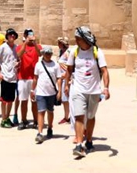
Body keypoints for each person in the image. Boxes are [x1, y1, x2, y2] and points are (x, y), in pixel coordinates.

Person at [64, 26, 110, 158]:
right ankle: (79, 144)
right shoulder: (74, 51)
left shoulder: (97, 51)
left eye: (78, 39)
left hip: (94, 90)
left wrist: (106, 88)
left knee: (90, 116)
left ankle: (89, 140)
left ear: (85, 39)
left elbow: (104, 70)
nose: (76, 41)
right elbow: (69, 69)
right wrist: (67, 85)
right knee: (79, 116)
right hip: (78, 89)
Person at [32, 46, 61, 143]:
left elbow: (59, 78)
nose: (48, 55)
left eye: (49, 54)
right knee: (41, 111)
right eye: (46, 54)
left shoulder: (55, 65)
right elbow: (35, 78)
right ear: (43, 54)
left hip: (51, 93)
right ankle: (40, 133)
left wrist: (59, 91)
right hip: (41, 92)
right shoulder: (38, 65)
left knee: (50, 111)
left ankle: (50, 127)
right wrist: (32, 90)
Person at [0, 28, 19, 128]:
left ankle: (7, 117)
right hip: (5, 76)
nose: (12, 36)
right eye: (10, 35)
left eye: (13, 35)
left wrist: (18, 63)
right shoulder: (3, 47)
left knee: (11, 99)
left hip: (13, 77)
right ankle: (3, 119)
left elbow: (18, 59)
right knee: (4, 100)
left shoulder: (17, 47)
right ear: (7, 36)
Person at [16, 28, 41, 130]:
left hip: (34, 77)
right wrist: (25, 43)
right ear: (25, 36)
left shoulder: (37, 46)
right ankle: (23, 120)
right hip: (23, 77)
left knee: (34, 101)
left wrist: (35, 43)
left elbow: (40, 54)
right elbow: (19, 55)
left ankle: (36, 121)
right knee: (23, 100)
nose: (29, 36)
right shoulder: (20, 46)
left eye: (31, 34)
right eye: (27, 35)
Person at [57, 37, 71, 124]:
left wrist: (66, 75)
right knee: (64, 99)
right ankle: (66, 116)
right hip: (62, 78)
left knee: (68, 98)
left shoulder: (68, 52)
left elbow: (70, 66)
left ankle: (71, 117)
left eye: (59, 43)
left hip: (67, 78)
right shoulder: (61, 52)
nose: (58, 45)